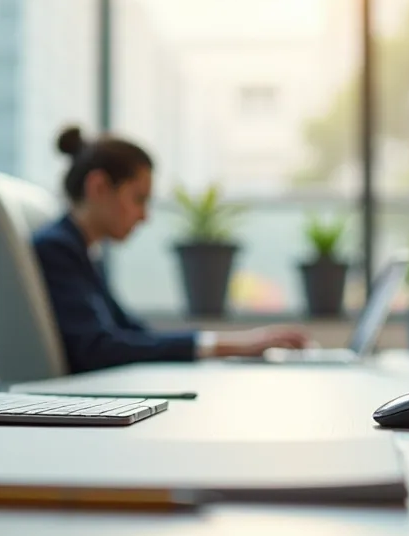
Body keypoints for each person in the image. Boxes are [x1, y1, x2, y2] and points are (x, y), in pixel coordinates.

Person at [33, 126, 311, 374]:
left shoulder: (82, 251)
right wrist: (230, 345)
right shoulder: (58, 249)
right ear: (99, 186)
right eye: (138, 199)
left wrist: (233, 344)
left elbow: (133, 333)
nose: (144, 216)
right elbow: (98, 349)